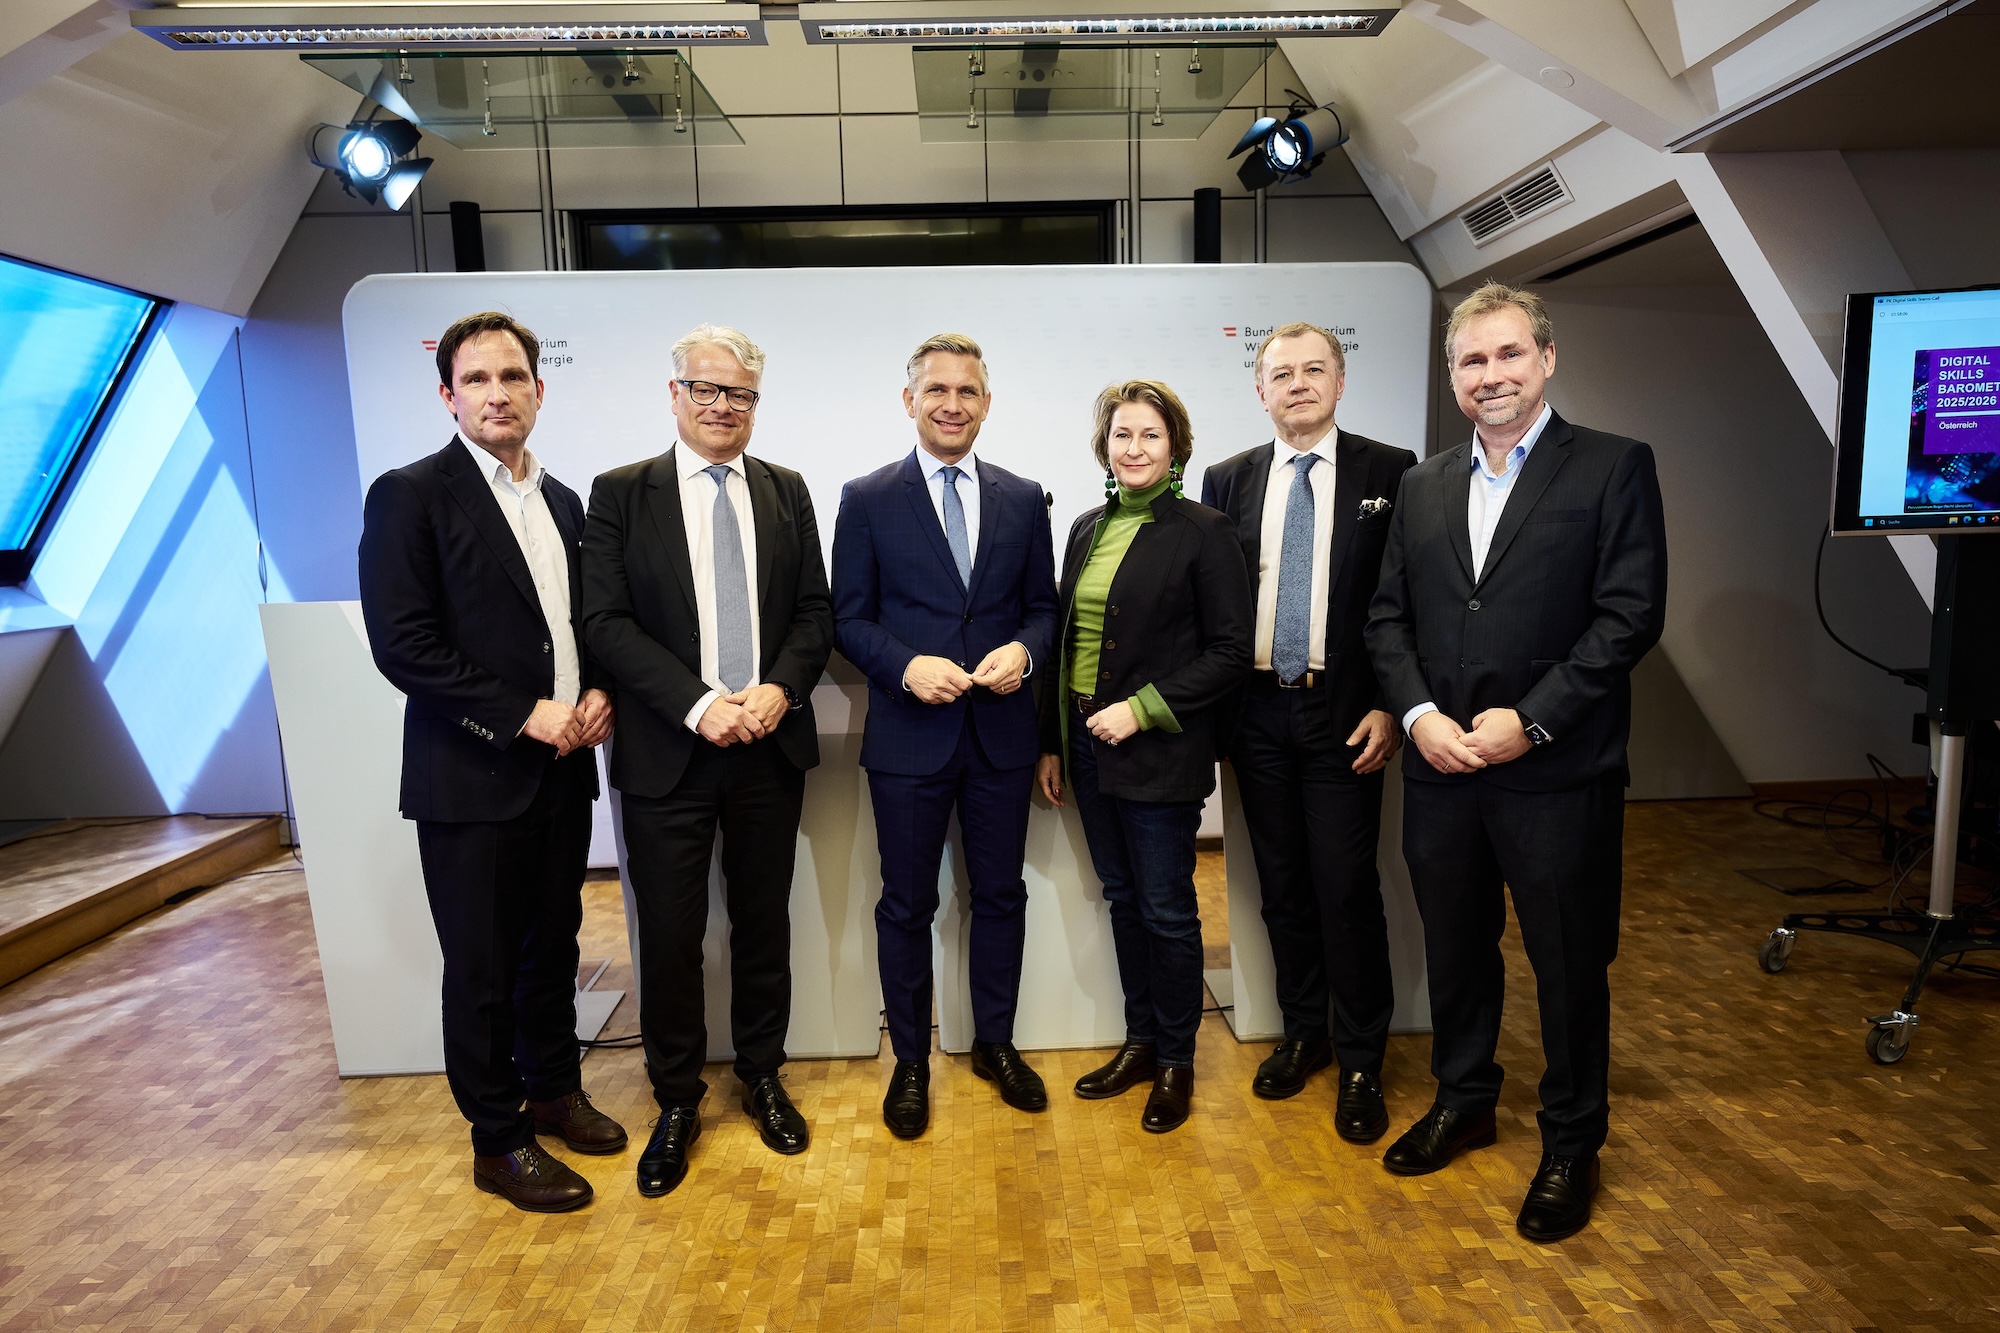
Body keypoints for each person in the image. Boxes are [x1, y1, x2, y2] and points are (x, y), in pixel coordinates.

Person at [1364, 282, 1668, 1242]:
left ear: (1545, 359)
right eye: (1470, 361)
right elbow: (1388, 617)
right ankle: (1466, 1097)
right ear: (1451, 377)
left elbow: (1629, 617)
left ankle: (1572, 1141)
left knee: (1569, 965)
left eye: (1505, 356)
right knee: (1456, 950)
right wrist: (1416, 715)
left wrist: (1528, 723)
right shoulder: (1423, 483)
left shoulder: (1615, 467)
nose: (1489, 376)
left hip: (1556, 774)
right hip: (1440, 769)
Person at [358, 310, 625, 1214]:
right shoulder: (409, 495)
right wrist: (522, 715)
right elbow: (403, 645)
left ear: (539, 391)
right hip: (469, 779)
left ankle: (553, 1089)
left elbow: (574, 626)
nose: (498, 393)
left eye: (513, 377)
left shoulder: (563, 500)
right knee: (477, 967)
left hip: (561, 770)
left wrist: (596, 693)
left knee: (552, 946)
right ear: (448, 395)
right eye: (477, 380)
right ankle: (499, 1138)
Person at [580, 324, 833, 1199]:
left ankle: (763, 1074)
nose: (724, 407)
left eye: (741, 395)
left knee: (765, 924)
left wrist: (779, 689)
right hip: (667, 753)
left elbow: (814, 611)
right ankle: (677, 1098)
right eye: (708, 390)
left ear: (757, 404)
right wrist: (698, 703)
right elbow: (605, 622)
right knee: (672, 938)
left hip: (767, 744)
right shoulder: (620, 494)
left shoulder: (787, 490)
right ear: (675, 394)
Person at [830, 333, 1060, 1140]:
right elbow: (848, 618)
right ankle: (912, 1063)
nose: (952, 403)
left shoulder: (1025, 496)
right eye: (937, 390)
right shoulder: (866, 497)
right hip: (908, 738)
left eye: (968, 391)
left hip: (1000, 736)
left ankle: (995, 1043)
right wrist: (905, 667)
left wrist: (1026, 652)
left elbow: (1045, 608)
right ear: (909, 400)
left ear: (987, 403)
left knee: (1000, 896)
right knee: (908, 903)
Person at [1201, 322, 1416, 1143]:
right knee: (1281, 885)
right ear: (1261, 390)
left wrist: (1395, 704)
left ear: (1340, 380)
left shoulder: (1392, 472)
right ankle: (1304, 1032)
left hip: (1346, 712)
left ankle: (1362, 1057)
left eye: (1312, 369)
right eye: (1280, 372)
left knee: (1346, 887)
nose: (1297, 383)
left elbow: (1410, 598)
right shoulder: (1229, 478)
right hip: (1255, 711)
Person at [1037, 380, 1253, 1134]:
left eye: (1150, 437)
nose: (1135, 448)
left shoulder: (1205, 530)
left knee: (1167, 910)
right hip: (1088, 753)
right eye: (1122, 435)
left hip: (1159, 750)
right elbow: (1067, 644)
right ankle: (1140, 1041)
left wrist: (1143, 708)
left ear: (1176, 448)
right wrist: (1052, 743)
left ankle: (1176, 1061)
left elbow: (1230, 652)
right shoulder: (1087, 528)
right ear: (1105, 446)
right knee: (1124, 901)